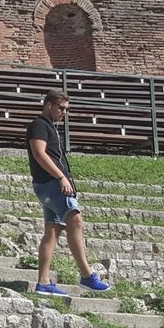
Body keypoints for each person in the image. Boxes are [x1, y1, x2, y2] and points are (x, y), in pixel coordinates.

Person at [27, 88, 109, 297]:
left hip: (48, 183)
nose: (64, 113)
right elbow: (39, 153)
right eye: (61, 108)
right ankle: (86, 275)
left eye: (66, 109)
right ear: (49, 105)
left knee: (53, 231)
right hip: (50, 183)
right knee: (75, 219)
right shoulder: (39, 125)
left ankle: (43, 282)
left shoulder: (52, 128)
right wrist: (61, 177)